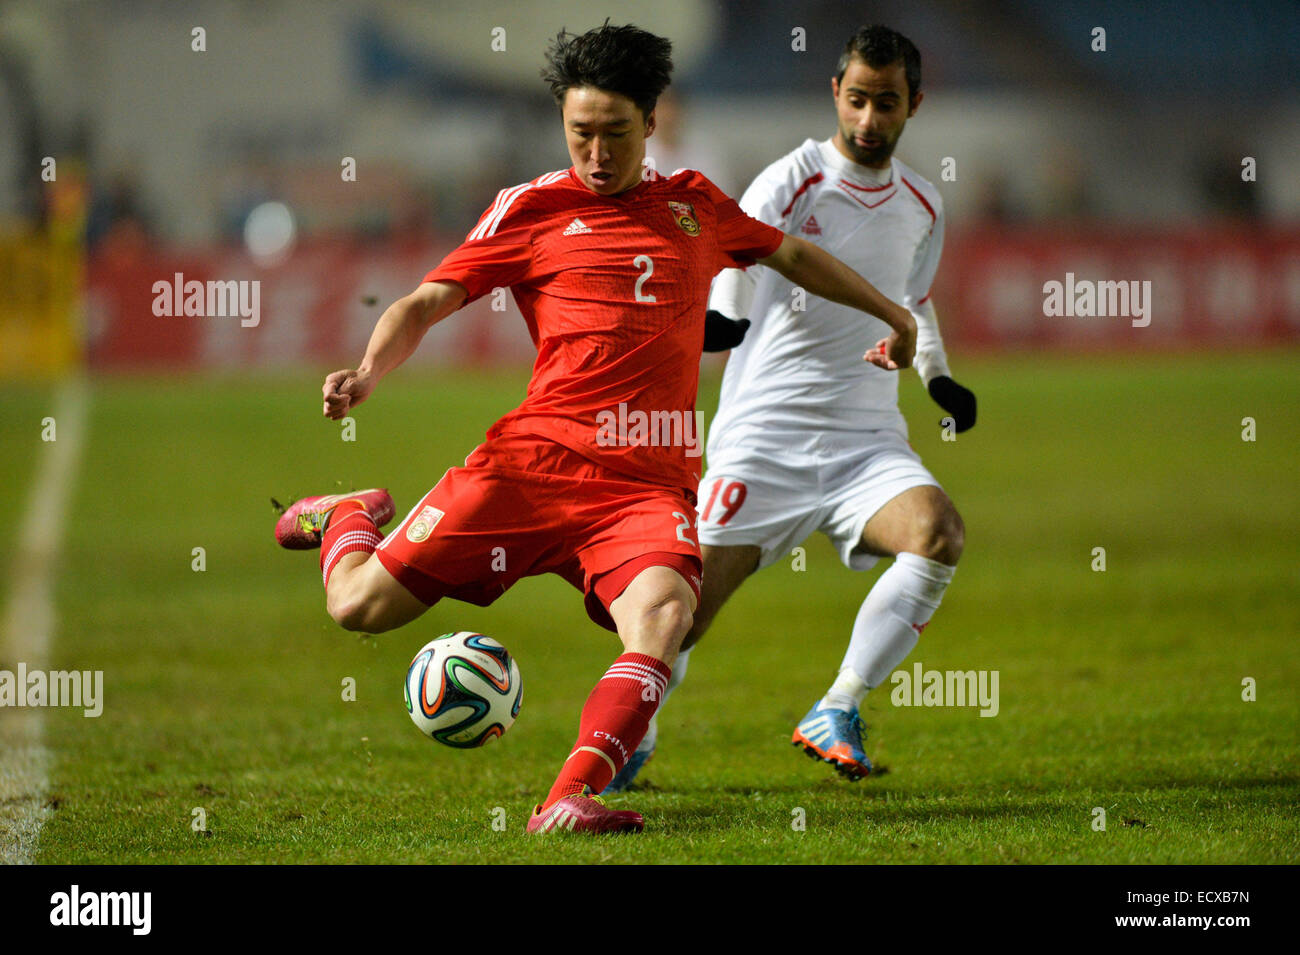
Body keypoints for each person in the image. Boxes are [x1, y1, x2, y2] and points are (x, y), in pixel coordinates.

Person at [273, 22, 918, 833]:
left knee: (665, 614)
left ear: (652, 122)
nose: (598, 153)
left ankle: (568, 796)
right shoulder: (533, 208)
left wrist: (894, 312)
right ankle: (347, 516)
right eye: (581, 133)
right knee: (357, 607)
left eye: (616, 133)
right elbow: (426, 301)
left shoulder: (695, 206)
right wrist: (369, 370)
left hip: (643, 489)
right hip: (530, 467)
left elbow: (791, 256)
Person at [607, 24, 977, 791]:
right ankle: (624, 741)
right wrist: (730, 320)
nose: (869, 119)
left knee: (938, 533)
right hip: (763, 438)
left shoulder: (923, 202)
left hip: (865, 439)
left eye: (887, 103)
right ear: (834, 94)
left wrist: (938, 378)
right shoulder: (795, 177)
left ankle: (838, 704)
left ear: (915, 104)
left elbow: (915, 300)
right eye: (857, 100)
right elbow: (735, 253)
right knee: (680, 614)